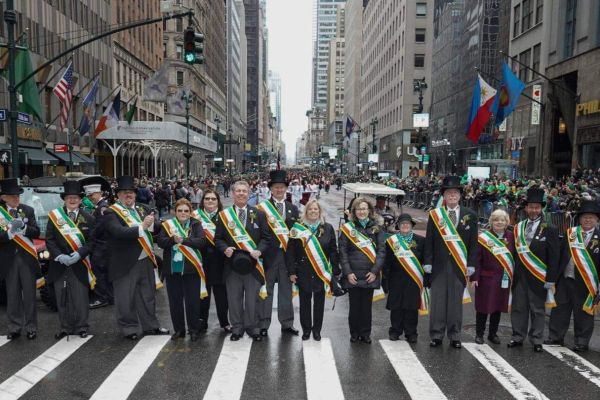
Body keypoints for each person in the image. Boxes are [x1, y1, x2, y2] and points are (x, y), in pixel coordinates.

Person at [104, 176, 170, 340]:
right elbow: (117, 232)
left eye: (131, 192)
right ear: (118, 195)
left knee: (147, 296)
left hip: (145, 259)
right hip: (124, 262)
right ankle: (129, 328)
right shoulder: (111, 212)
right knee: (125, 298)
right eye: (124, 193)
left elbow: (155, 228)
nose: (128, 195)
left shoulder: (143, 208)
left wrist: (165, 225)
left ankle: (151, 326)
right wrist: (142, 227)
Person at [424, 175, 478, 349]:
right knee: (438, 302)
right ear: (444, 196)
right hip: (439, 265)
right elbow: (430, 240)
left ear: (460, 195)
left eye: (455, 192)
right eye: (449, 193)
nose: (452, 195)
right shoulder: (435, 215)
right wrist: (428, 262)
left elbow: (473, 243)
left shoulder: (471, 215)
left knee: (455, 302)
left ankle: (455, 335)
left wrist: (471, 264)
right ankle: (437, 335)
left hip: (459, 265)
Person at [215, 180, 272, 341]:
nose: (241, 194)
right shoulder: (224, 215)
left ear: (249, 194)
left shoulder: (259, 214)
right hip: (232, 266)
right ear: (233, 194)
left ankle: (252, 327)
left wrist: (259, 250)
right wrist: (224, 248)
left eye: (244, 191)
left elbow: (266, 238)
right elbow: (217, 239)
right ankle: (237, 328)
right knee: (234, 299)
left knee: (253, 299)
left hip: (253, 265)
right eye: (238, 191)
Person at [545, 200, 600, 352]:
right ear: (579, 218)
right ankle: (555, 337)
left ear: (597, 220)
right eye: (584, 217)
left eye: (591, 217)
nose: (588, 220)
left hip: (587, 282)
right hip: (565, 279)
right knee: (560, 309)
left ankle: (581, 341)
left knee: (584, 312)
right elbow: (560, 255)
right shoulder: (571, 233)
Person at [509, 187, 559, 352]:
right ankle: (517, 336)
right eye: (531, 207)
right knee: (518, 308)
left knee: (537, 309)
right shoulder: (518, 227)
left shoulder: (550, 229)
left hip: (539, 276)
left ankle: (536, 339)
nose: (533, 210)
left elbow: (554, 256)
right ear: (526, 208)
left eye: (537, 207)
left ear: (541, 208)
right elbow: (513, 253)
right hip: (520, 276)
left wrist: (551, 279)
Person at [45, 181, 95, 339]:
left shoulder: (88, 217)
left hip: (79, 263)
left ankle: (82, 327)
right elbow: (49, 239)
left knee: (80, 297)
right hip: (60, 263)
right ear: (64, 200)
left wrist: (80, 254)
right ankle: (65, 327)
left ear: (80, 200)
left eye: (75, 197)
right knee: (62, 296)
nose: (72, 200)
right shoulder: (55, 216)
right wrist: (59, 256)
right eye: (69, 197)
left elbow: (93, 241)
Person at [256, 170, 300, 337]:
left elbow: (296, 235)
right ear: (271, 189)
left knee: (286, 293)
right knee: (265, 292)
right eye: (276, 187)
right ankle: (263, 324)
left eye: (282, 187)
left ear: (286, 189)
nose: (279, 190)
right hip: (268, 256)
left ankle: (287, 323)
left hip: (287, 259)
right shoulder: (261, 209)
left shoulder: (293, 209)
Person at [288, 200, 339, 341]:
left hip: (320, 271)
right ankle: (306, 330)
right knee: (304, 302)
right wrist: (291, 272)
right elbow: (290, 252)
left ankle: (317, 330)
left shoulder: (328, 228)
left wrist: (335, 270)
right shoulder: (297, 228)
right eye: (310, 209)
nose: (313, 211)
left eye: (316, 209)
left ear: (320, 212)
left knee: (319, 303)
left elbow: (333, 251)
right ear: (306, 212)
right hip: (302, 271)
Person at [157, 198, 207, 341]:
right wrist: (173, 239)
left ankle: (193, 330)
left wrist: (183, 240)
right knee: (175, 302)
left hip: (191, 269)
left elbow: (201, 242)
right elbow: (160, 242)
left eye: (186, 211)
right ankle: (179, 330)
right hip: (172, 270)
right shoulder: (167, 225)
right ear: (175, 212)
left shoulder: (196, 224)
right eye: (180, 211)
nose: (183, 213)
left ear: (190, 212)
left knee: (192, 302)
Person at [339, 197, 386, 344]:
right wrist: (348, 272)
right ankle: (354, 333)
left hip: (369, 274)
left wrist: (374, 271)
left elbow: (381, 251)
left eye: (364, 208)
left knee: (366, 307)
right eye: (359, 209)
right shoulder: (348, 228)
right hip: (353, 273)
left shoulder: (377, 228)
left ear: (369, 211)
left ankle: (365, 334)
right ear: (354, 211)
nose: (361, 211)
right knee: (354, 307)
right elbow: (343, 251)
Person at [0, 178, 40, 340]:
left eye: (18, 195)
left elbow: (36, 232)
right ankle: (14, 327)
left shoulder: (27, 210)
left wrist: (23, 228)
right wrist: (9, 234)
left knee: (30, 295)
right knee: (12, 294)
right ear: (3, 198)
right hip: (8, 259)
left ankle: (31, 327)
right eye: (13, 196)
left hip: (26, 258)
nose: (17, 198)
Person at [471, 209, 514, 345]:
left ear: (506, 222)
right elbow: (477, 259)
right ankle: (479, 334)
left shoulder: (511, 237)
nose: (499, 222)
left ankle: (492, 334)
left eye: (502, 220)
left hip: (503, 278)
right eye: (496, 220)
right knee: (483, 307)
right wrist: (475, 277)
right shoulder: (484, 237)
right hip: (486, 278)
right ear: (491, 222)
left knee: (498, 306)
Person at [193, 189, 231, 333]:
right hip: (201, 260)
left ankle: (224, 322)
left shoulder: (225, 217)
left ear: (218, 202)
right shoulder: (195, 217)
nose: (210, 201)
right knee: (202, 294)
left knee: (222, 295)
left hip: (220, 260)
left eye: (213, 199)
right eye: (207, 199)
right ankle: (202, 322)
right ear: (203, 201)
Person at [384, 214, 425, 343]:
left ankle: (411, 333)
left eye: (408, 223)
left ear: (412, 225)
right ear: (398, 226)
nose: (405, 225)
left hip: (414, 278)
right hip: (396, 278)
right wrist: (385, 281)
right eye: (402, 224)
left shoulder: (421, 241)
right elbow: (387, 262)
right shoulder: (391, 241)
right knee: (396, 306)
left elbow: (425, 260)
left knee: (412, 307)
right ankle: (395, 331)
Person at [83, 182, 113, 309]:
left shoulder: (102, 208)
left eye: (92, 195)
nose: (90, 198)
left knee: (99, 271)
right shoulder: (100, 206)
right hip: (103, 245)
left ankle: (102, 298)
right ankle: (109, 297)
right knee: (104, 272)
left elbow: (99, 227)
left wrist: (88, 234)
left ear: (99, 193)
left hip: (101, 245)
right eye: (89, 196)